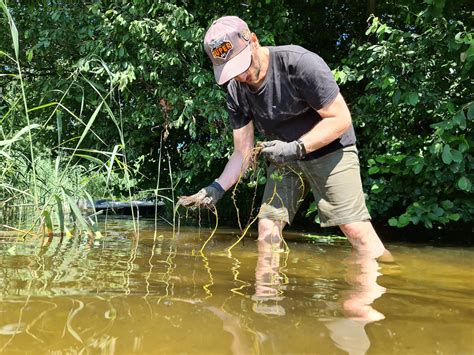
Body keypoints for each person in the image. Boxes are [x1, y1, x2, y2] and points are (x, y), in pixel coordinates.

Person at [180, 16, 392, 260]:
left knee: (355, 229)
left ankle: (390, 277)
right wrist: (216, 188)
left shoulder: (300, 64)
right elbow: (243, 152)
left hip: (329, 149)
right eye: (231, 72)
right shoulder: (236, 90)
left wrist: (297, 148)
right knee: (267, 230)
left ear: (254, 41)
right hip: (284, 156)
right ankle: (268, 297)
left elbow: (341, 118)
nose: (241, 77)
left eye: (242, 65)